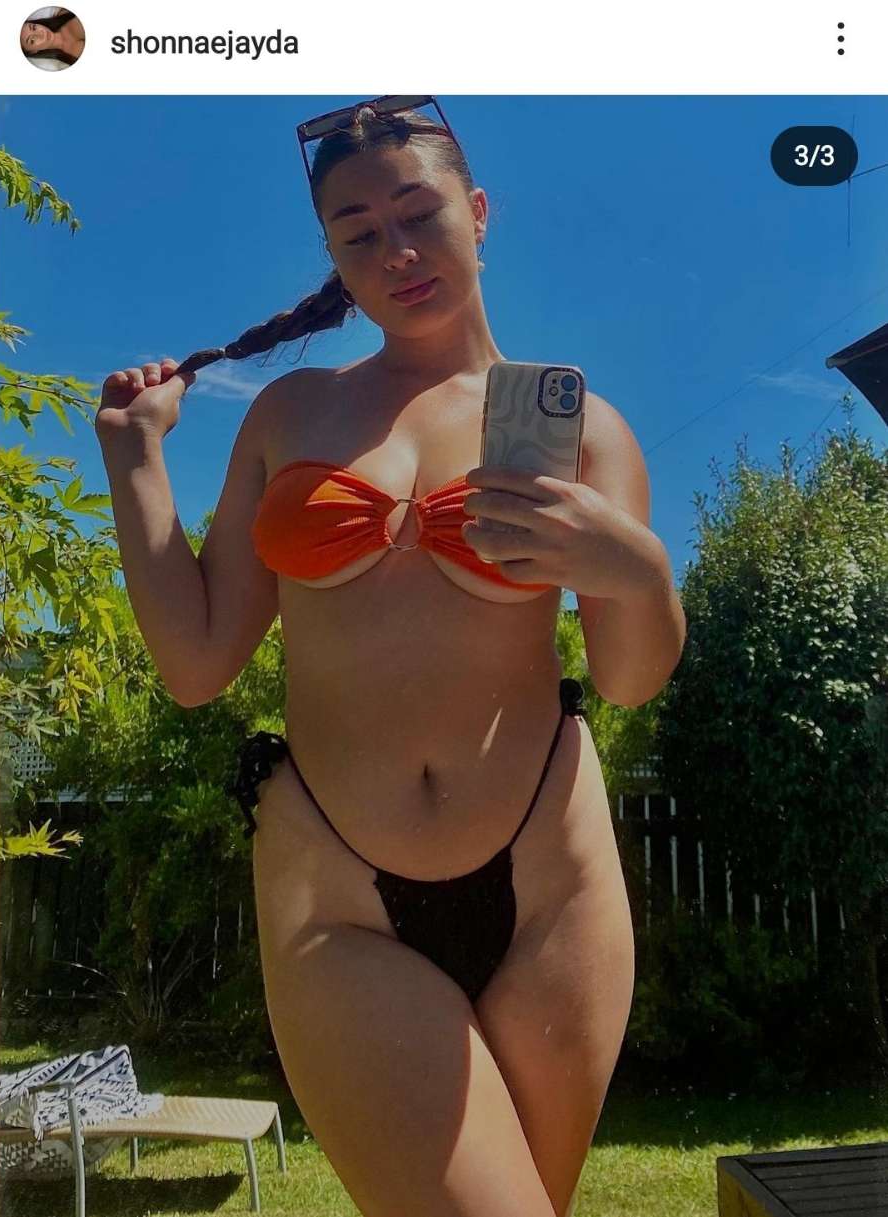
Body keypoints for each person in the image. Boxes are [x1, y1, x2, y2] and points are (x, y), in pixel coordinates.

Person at [95, 97, 686, 1217]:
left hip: (551, 879)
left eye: (418, 214)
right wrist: (135, 464)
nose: (396, 252)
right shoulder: (290, 413)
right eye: (358, 232)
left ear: (477, 211)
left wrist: (639, 574)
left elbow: (626, 676)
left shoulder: (579, 426)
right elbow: (198, 662)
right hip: (337, 890)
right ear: (331, 255)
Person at [20, 8, 85, 67]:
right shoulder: (62, 64)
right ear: (33, 51)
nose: (41, 34)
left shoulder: (64, 14)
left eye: (34, 28)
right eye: (32, 40)